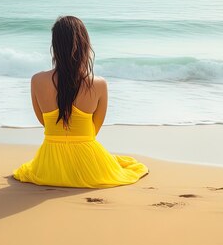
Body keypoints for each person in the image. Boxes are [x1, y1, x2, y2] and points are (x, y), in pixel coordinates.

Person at [13, 15, 149, 188]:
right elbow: (94, 130)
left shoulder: (37, 80)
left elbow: (44, 122)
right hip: (89, 165)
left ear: (55, 46)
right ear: (85, 45)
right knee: (129, 168)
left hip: (50, 163)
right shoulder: (98, 84)